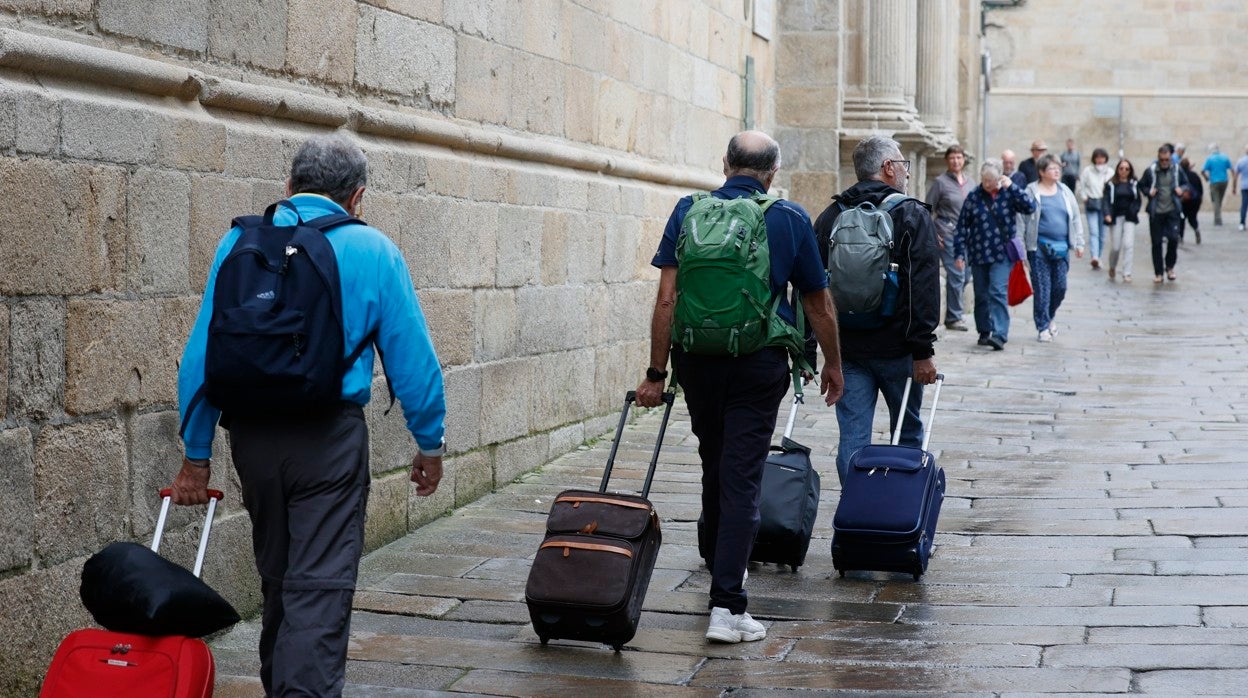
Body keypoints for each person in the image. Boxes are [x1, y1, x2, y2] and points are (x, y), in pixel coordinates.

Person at [171, 134, 448, 696]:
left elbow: (199, 360)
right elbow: (413, 362)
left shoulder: (239, 244)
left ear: (289, 186)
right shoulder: (373, 252)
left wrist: (197, 457)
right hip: (329, 440)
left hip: (252, 438)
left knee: (279, 580)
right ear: (358, 197)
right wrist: (430, 444)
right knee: (318, 591)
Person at [635, 130, 843, 644]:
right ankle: (728, 606)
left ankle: (719, 563)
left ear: (725, 163)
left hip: (696, 360)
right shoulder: (789, 217)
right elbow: (818, 305)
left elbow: (666, 300)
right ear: (772, 172)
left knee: (715, 459)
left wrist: (656, 372)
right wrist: (834, 363)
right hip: (758, 361)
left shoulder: (688, 209)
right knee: (743, 474)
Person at [814, 135, 939, 485]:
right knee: (907, 433)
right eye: (903, 164)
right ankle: (898, 508)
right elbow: (923, 290)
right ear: (887, 168)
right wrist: (922, 350)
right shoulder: (912, 214)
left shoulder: (830, 216)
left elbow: (813, 289)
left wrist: (818, 349)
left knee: (852, 438)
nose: (906, 173)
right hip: (899, 349)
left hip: (847, 350)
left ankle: (856, 507)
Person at [952, 158, 1036, 350]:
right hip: (979, 253)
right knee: (981, 295)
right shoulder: (974, 196)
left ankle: (1000, 335)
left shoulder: (1008, 193)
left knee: (997, 291)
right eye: (984, 179)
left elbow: (1030, 207)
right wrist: (959, 254)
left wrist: (1013, 187)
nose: (987, 184)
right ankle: (984, 330)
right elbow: (962, 227)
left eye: (991, 180)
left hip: (1001, 254)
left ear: (999, 178)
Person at [1023, 154, 1085, 341]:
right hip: (1038, 248)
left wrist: (1079, 242)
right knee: (1042, 288)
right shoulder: (1031, 191)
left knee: (1060, 287)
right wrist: (1021, 247)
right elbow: (1023, 219)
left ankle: (1049, 316)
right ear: (1041, 172)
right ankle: (1042, 326)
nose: (1057, 171)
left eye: (1058, 168)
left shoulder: (1065, 191)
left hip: (1062, 247)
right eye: (1052, 168)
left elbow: (1075, 218)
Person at [925, 144, 972, 331]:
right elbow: (926, 209)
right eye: (952, 158)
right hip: (947, 232)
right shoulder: (940, 182)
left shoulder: (971, 183)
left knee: (967, 275)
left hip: (967, 235)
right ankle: (954, 317)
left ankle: (956, 310)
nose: (956, 161)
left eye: (959, 157)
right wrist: (933, 233)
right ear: (947, 160)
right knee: (957, 273)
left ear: (963, 160)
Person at [1137, 145, 1190, 282]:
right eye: (1162, 160)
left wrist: (1181, 189)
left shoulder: (1177, 170)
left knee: (1173, 239)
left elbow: (1186, 184)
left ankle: (1170, 267)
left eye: (1167, 159)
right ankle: (1158, 272)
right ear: (1158, 158)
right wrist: (1149, 192)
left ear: (1170, 158)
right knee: (1156, 242)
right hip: (1157, 211)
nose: (1165, 162)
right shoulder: (1151, 171)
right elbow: (1141, 185)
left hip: (1172, 210)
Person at [1102, 158, 1141, 283]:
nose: (1124, 171)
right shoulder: (1111, 184)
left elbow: (1137, 200)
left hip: (1129, 217)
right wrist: (1107, 214)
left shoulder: (1134, 184)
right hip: (1116, 217)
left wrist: (1134, 210)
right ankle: (1112, 266)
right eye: (1121, 168)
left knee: (1128, 245)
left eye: (1127, 169)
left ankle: (1127, 272)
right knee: (1116, 246)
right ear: (1117, 169)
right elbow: (1106, 200)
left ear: (1130, 170)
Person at [1076, 148, 1113, 269]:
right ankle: (1094, 256)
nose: (1100, 160)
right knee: (1094, 231)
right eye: (1097, 157)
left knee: (1102, 233)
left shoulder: (1110, 172)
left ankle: (1099, 255)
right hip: (1091, 202)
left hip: (1105, 205)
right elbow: (1081, 185)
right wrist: (1084, 197)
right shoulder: (1088, 171)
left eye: (1102, 157)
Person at [1202, 142, 1233, 226]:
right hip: (1224, 181)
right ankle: (1218, 216)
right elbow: (1231, 168)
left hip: (1214, 182)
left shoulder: (1210, 158)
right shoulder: (1224, 157)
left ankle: (1218, 219)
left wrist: (1206, 178)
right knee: (1219, 200)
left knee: (1216, 201)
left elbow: (1203, 170)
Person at [1179, 157, 1204, 243]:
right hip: (1195, 201)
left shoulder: (1180, 176)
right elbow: (1200, 189)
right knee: (1192, 217)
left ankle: (1180, 237)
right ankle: (1196, 229)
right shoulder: (1195, 175)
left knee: (1181, 218)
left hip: (1184, 201)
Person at [1234, 145, 1248, 231]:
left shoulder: (1241, 161)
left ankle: (1242, 223)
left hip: (1244, 186)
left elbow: (1236, 175)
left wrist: (1234, 187)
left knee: (1244, 205)